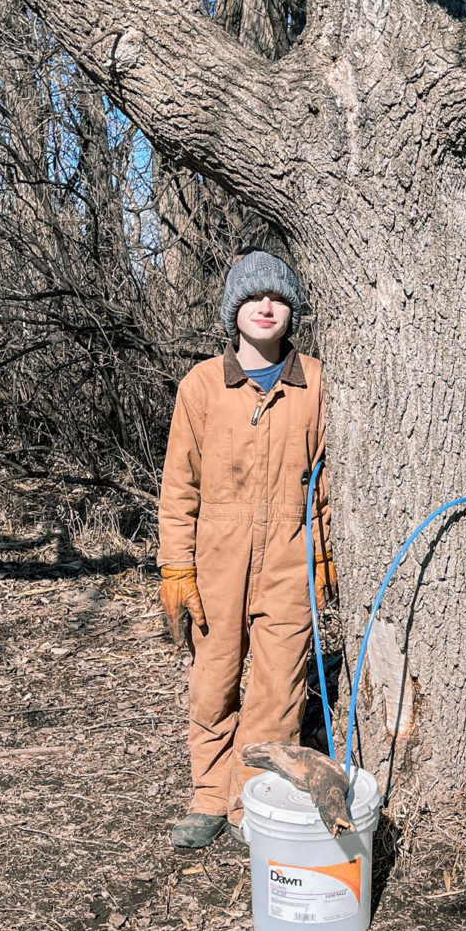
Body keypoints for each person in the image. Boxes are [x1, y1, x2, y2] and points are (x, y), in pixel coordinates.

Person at [157, 248, 336, 849]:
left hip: (291, 557)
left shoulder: (316, 385)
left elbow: (331, 483)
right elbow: (180, 486)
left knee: (279, 687)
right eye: (254, 297)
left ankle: (249, 800)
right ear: (233, 310)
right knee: (213, 678)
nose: (266, 306)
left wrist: (327, 555)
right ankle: (209, 795)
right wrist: (176, 565)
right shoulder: (202, 385)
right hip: (217, 559)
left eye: (278, 297)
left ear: (292, 311)